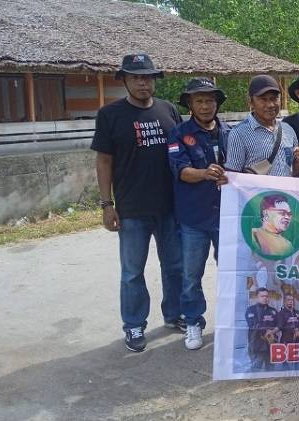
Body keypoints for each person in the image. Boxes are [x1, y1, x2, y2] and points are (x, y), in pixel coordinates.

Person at [91, 53, 185, 353]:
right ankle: (134, 324)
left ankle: (175, 314)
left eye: (148, 77)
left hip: (170, 206)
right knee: (132, 272)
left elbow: (183, 151)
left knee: (175, 266)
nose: (143, 83)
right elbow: (104, 161)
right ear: (125, 80)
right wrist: (106, 204)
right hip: (132, 209)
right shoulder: (110, 115)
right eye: (136, 78)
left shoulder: (168, 110)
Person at [166, 77, 230, 350]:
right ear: (190, 104)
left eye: (210, 100)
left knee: (231, 272)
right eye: (199, 101)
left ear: (217, 103)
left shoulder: (229, 133)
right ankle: (193, 322)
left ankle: (230, 322)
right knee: (191, 276)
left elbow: (242, 168)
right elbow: (181, 171)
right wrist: (204, 173)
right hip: (194, 218)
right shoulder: (179, 134)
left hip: (227, 217)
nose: (205, 106)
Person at [224, 74, 299, 176]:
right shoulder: (238, 134)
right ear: (251, 102)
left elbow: (292, 172)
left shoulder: (288, 130)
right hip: (256, 188)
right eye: (263, 99)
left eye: (274, 98)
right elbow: (233, 177)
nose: (270, 105)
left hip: (285, 187)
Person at [245, 287, 279, 369]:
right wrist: (266, 331)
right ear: (257, 297)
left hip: (271, 345)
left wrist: (273, 331)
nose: (265, 298)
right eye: (262, 296)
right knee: (256, 369)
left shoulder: (273, 310)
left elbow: (279, 324)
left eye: (266, 296)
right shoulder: (251, 310)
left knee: (271, 369)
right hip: (257, 345)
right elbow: (253, 324)